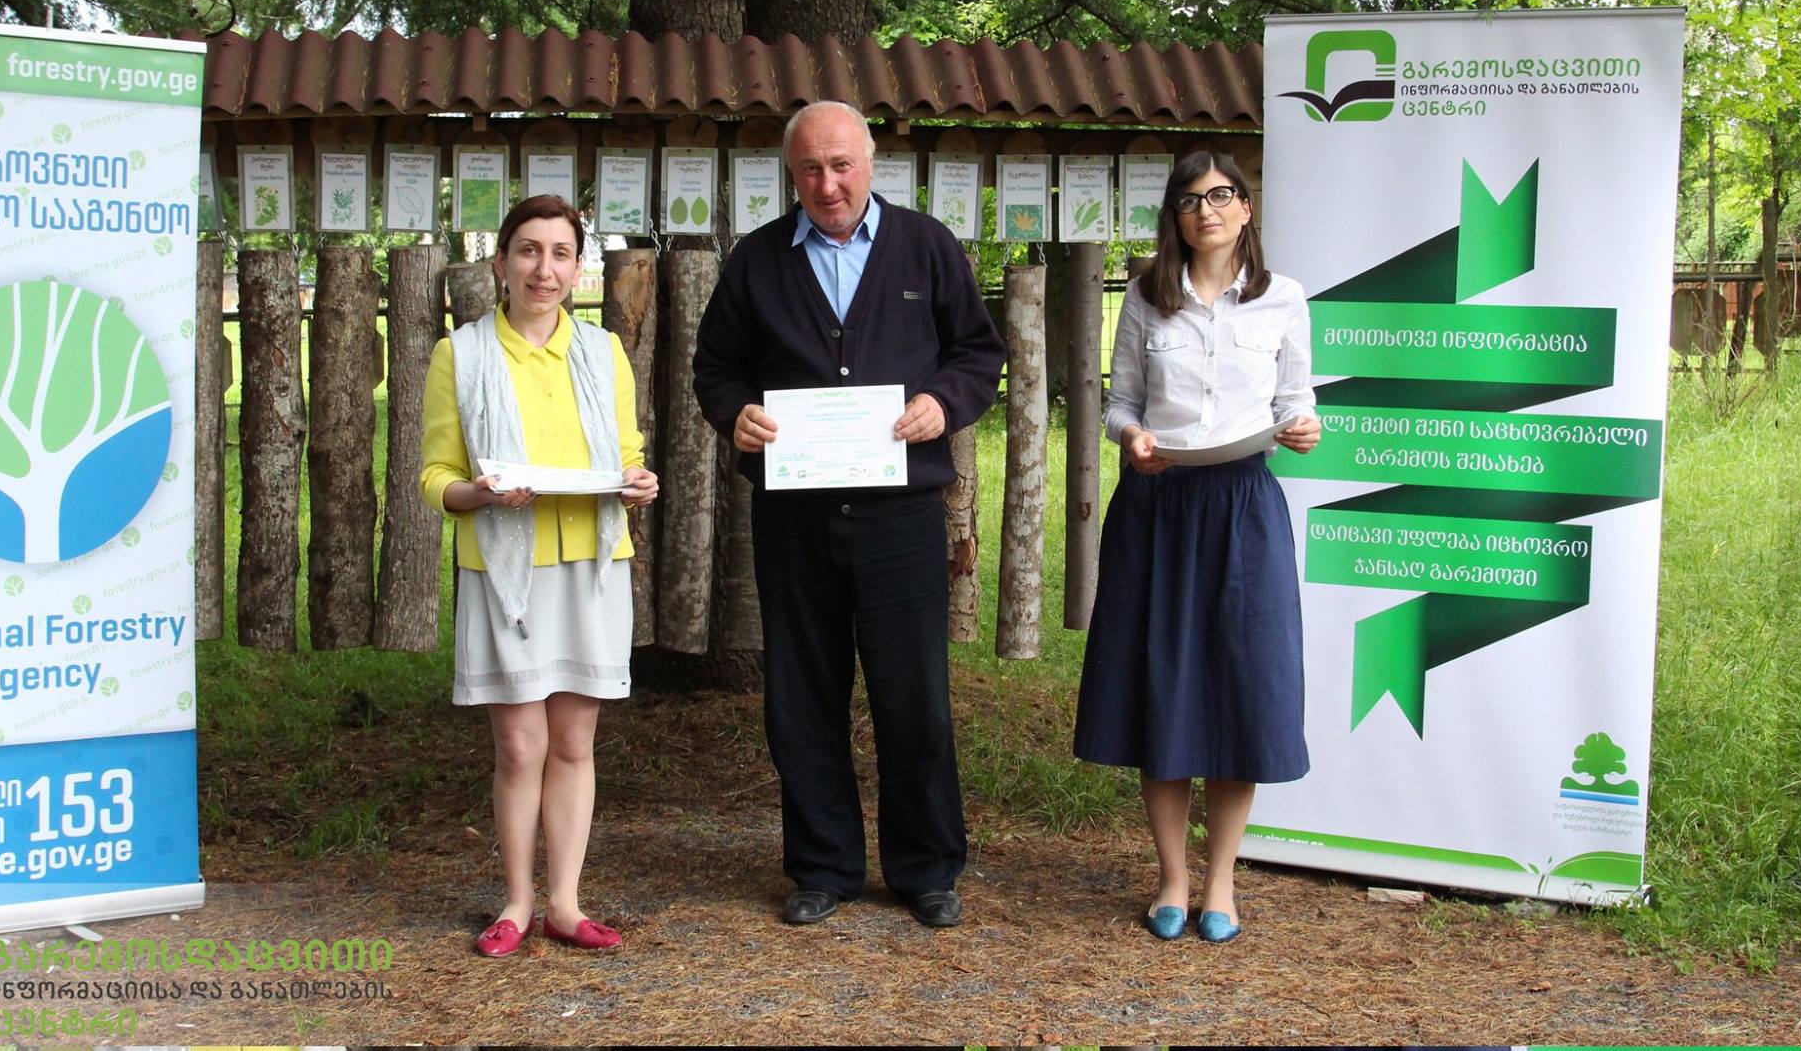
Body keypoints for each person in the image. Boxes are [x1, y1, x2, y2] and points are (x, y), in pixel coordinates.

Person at [693, 100, 1005, 929]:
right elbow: (715, 368)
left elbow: (979, 352)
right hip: (794, 519)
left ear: (870, 164)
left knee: (914, 696)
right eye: (810, 169)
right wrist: (736, 414)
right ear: (790, 174)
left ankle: (926, 868)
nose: (827, 184)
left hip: (901, 516)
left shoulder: (927, 247)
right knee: (801, 694)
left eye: (841, 166)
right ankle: (823, 866)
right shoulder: (758, 260)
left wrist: (944, 402)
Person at [1073, 150, 1321, 944]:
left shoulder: (1283, 299)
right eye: (1189, 200)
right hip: (1159, 507)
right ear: (1174, 216)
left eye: (1220, 196)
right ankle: (1173, 880)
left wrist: (1304, 428)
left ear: (1246, 207)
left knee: (1242, 689)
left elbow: (1296, 402)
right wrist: (1133, 438)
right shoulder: (1148, 298)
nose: (1205, 211)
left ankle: (1222, 885)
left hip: (1244, 508)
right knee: (1164, 687)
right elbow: (1119, 404)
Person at [420, 193, 659, 958]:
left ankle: (565, 903)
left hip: (591, 567)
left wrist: (638, 482)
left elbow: (626, 452)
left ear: (578, 266)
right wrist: (478, 494)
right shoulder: (461, 354)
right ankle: (517, 903)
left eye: (560, 253)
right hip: (505, 570)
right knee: (521, 746)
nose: (544, 269)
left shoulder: (603, 352)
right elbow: (435, 475)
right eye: (528, 250)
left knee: (574, 743)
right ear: (501, 262)